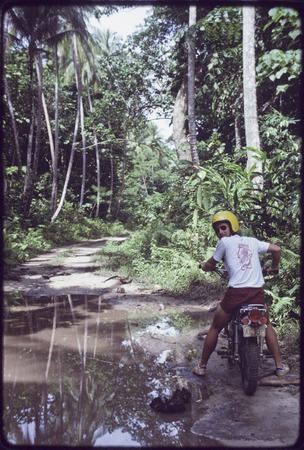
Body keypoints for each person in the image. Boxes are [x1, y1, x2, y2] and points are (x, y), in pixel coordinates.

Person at [193, 210, 289, 377]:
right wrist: (274, 267)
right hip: (256, 294)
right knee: (267, 325)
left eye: (223, 227)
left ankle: (202, 366)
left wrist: (204, 266)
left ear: (232, 226)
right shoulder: (252, 241)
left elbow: (210, 264)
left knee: (215, 327)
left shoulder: (224, 243)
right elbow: (276, 249)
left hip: (235, 294)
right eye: (217, 230)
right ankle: (279, 366)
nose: (220, 232)